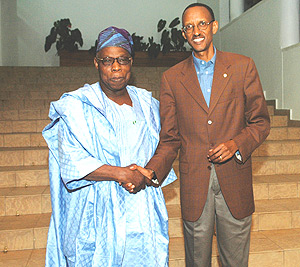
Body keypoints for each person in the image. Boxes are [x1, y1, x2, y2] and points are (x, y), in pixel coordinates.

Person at [135, 3, 270, 267]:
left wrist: (236, 144)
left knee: (235, 262)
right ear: (184, 34)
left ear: (214, 27)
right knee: (197, 261)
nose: (196, 30)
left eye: (202, 24)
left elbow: (260, 122)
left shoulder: (243, 67)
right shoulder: (172, 78)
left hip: (235, 181)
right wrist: (150, 171)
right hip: (195, 186)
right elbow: (170, 138)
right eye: (189, 26)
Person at [42, 26, 176, 267]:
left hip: (141, 206)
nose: (116, 67)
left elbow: (165, 145)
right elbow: (70, 160)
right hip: (96, 210)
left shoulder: (147, 103)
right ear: (96, 63)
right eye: (107, 61)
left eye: (122, 60)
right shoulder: (77, 106)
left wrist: (146, 173)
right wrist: (121, 173)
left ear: (131, 62)